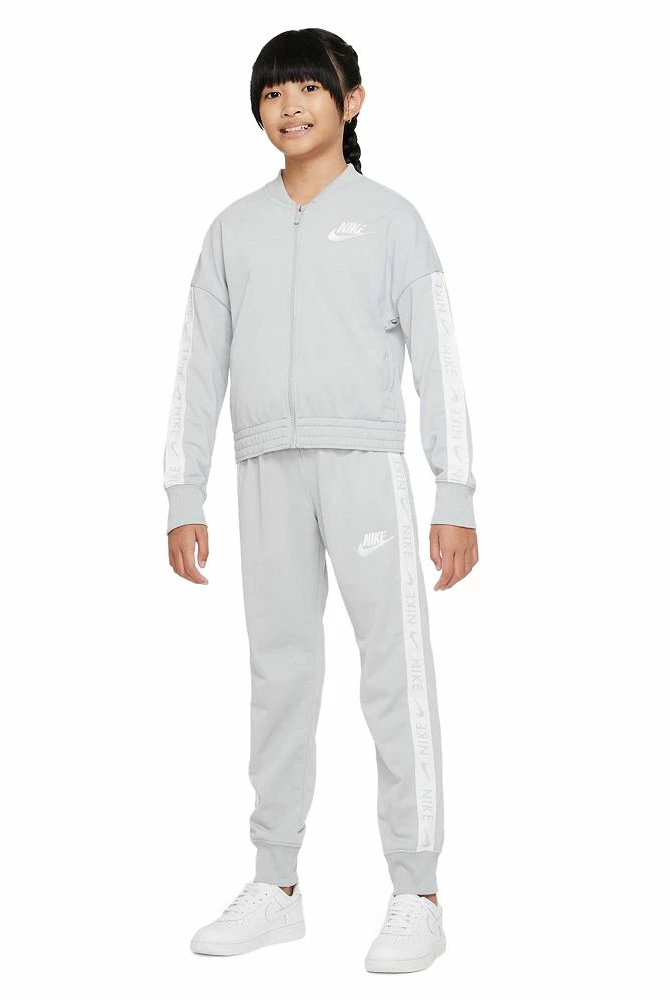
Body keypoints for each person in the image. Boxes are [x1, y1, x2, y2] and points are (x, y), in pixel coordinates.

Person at [163, 27, 479, 974]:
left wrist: (455, 492)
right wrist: (184, 491)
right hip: (265, 469)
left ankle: (417, 891)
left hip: (364, 466)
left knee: (394, 673)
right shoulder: (233, 230)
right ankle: (278, 885)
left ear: (352, 101)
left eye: (307, 87)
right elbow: (197, 367)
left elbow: (440, 362)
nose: (289, 106)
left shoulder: (391, 220)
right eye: (272, 93)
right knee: (280, 674)